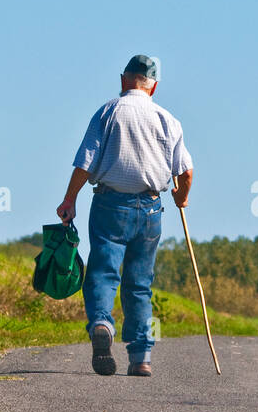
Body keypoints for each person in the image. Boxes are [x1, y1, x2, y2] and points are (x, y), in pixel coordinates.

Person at [56, 55, 193, 377]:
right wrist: (180, 198)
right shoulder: (167, 119)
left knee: (103, 272)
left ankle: (102, 322)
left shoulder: (108, 111)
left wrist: (69, 198)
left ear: (123, 80)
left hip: (110, 205)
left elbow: (86, 161)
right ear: (154, 86)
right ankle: (141, 356)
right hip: (150, 209)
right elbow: (185, 172)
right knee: (140, 283)